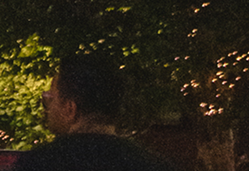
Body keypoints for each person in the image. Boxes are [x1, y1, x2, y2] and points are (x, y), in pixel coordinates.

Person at [12, 55, 171, 170]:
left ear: (70, 109)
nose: (47, 109)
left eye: (50, 99)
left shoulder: (38, 163)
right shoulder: (152, 163)